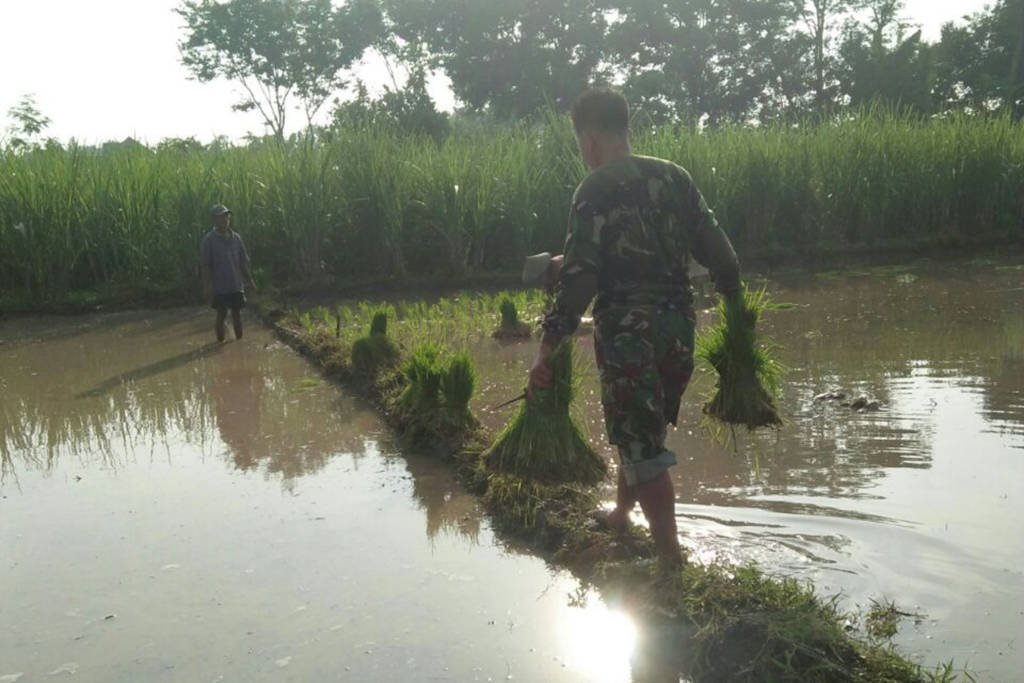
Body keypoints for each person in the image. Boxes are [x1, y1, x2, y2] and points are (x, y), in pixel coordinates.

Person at [526, 88, 741, 571]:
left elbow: (582, 279)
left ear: (592, 137)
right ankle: (622, 515)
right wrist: (738, 320)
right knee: (641, 430)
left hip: (628, 335)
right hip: (678, 329)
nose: (583, 151)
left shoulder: (595, 189)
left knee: (639, 439)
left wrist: (546, 349)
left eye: (581, 141)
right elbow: (723, 258)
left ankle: (669, 560)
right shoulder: (675, 178)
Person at [200, 204, 257, 342]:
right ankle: (220, 344)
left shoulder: (236, 238)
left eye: (226, 216)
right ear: (214, 220)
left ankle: (239, 343)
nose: (224, 220)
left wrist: (250, 281)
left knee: (237, 315)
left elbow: (243, 262)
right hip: (220, 287)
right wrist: (208, 287)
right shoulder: (209, 240)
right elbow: (206, 266)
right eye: (221, 217)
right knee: (222, 314)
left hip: (236, 285)